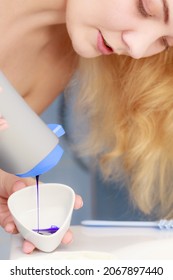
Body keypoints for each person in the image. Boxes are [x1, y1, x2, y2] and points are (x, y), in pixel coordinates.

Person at [1, 0, 173, 253]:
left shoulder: (59, 57)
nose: (137, 48)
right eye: (146, 8)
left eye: (166, 41)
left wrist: (5, 183)